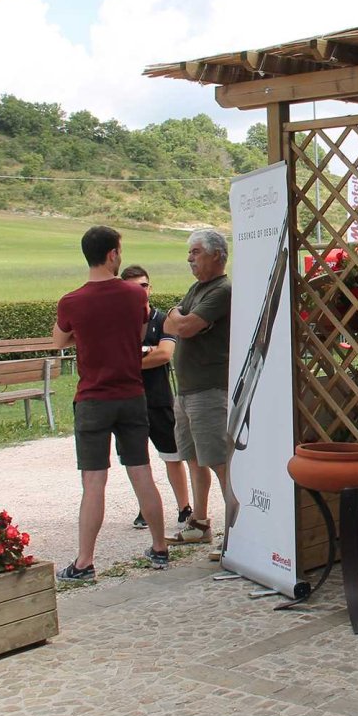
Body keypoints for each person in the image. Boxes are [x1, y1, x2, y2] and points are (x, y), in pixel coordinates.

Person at [52, 225, 170, 582]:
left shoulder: (70, 301)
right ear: (113, 254)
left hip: (92, 398)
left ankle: (85, 561)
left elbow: (58, 341)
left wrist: (83, 335)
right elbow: (136, 334)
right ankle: (160, 547)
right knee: (141, 472)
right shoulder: (135, 296)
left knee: (94, 482)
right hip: (132, 394)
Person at [164, 229, 237, 555]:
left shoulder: (222, 291)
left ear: (216, 255)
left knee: (220, 462)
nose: (189, 258)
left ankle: (239, 534)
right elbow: (173, 323)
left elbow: (182, 326)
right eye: (190, 253)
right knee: (194, 459)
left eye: (196, 252)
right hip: (187, 391)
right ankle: (201, 524)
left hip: (208, 391)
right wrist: (178, 319)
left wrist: (178, 318)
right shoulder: (199, 289)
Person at [120, 265, 193, 533]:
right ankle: (145, 508)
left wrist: (128, 361)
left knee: (172, 455)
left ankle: (184, 507)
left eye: (143, 286)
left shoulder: (162, 320)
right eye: (130, 288)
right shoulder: (118, 323)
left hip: (158, 398)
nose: (138, 292)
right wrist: (142, 354)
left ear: (150, 288)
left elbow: (164, 354)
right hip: (128, 399)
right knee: (138, 460)